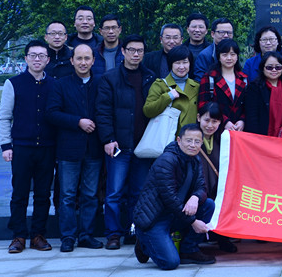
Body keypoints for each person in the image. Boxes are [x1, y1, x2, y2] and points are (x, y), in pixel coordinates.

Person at [96, 34, 157, 250]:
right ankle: (113, 234)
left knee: (138, 192)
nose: (136, 54)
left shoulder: (150, 77)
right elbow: (103, 111)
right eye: (132, 50)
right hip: (118, 145)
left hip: (143, 146)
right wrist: (108, 139)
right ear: (123, 51)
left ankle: (133, 231)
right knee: (114, 192)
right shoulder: (110, 78)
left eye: (140, 51)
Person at [0, 40, 56, 254]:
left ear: (48, 59)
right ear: (26, 58)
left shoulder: (55, 85)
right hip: (21, 147)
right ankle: (19, 236)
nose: (37, 59)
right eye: (33, 55)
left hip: (47, 147)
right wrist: (6, 145)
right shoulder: (13, 83)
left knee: (43, 194)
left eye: (41, 55)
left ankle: (38, 235)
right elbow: (4, 117)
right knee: (19, 193)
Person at [46, 44, 104, 252]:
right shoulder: (60, 85)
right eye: (79, 58)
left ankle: (86, 235)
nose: (83, 62)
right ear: (71, 61)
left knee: (90, 195)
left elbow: (105, 110)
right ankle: (68, 237)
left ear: (93, 61)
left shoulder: (100, 83)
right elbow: (52, 113)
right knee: (68, 195)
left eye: (87, 58)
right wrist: (77, 121)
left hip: (94, 148)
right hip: (69, 149)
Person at [133, 124, 216, 269]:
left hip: (175, 214)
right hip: (155, 218)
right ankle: (144, 242)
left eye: (197, 141)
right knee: (170, 263)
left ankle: (189, 250)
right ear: (179, 140)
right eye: (188, 140)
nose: (192, 145)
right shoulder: (167, 160)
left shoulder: (195, 160)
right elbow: (169, 198)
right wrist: (193, 221)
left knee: (208, 204)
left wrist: (195, 197)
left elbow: (202, 187)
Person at [195, 102, 238, 254]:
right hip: (196, 190)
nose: (210, 125)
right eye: (206, 120)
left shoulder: (223, 138)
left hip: (216, 187)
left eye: (215, 121)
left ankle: (222, 238)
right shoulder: (191, 137)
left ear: (220, 122)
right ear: (198, 118)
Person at [144, 45, 200, 133]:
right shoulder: (160, 85)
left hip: (190, 138)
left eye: (185, 62)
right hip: (167, 137)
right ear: (171, 64)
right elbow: (148, 111)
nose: (181, 67)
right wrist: (168, 97)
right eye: (177, 63)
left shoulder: (196, 87)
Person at [198, 39, 247, 132]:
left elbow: (247, 105)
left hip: (239, 129)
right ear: (219, 57)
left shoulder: (243, 78)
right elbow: (203, 105)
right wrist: (225, 121)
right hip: (215, 128)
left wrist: (242, 120)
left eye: (232, 54)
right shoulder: (209, 78)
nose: (229, 58)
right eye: (224, 55)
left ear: (237, 57)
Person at [245, 51, 282, 136]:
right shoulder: (254, 88)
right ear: (262, 68)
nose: (274, 70)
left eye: (278, 67)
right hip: (261, 137)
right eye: (269, 67)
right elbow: (251, 118)